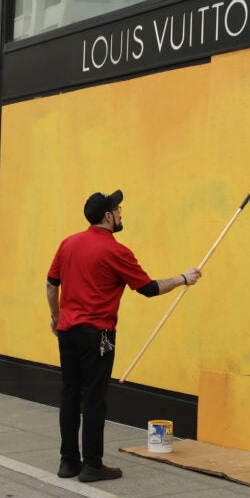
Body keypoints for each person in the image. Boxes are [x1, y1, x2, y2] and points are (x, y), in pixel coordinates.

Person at [46, 189, 201, 483]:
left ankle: (68, 463)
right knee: (93, 399)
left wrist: (55, 317)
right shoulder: (116, 251)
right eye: (118, 210)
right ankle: (92, 465)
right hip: (98, 335)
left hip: (67, 332)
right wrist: (183, 278)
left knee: (70, 394)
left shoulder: (68, 244)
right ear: (108, 216)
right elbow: (149, 288)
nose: (121, 214)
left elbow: (52, 285)